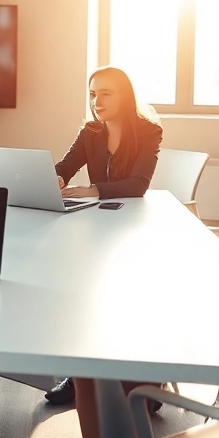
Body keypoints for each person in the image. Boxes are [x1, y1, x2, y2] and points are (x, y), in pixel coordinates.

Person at [45, 66, 164, 407]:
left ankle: (147, 382)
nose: (97, 101)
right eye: (93, 93)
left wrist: (91, 189)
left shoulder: (148, 132)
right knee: (76, 288)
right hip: (98, 226)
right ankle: (78, 375)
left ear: (124, 95)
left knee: (127, 294)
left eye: (106, 93)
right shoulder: (90, 133)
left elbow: (138, 185)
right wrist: (55, 178)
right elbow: (64, 167)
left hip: (135, 225)